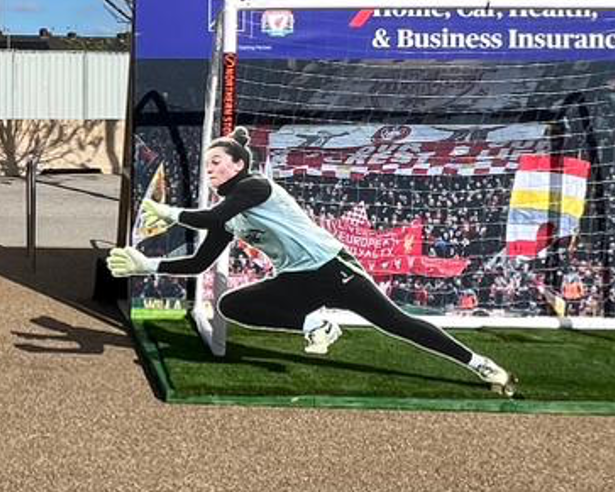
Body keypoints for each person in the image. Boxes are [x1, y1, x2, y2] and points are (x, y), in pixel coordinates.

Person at [108, 127, 516, 395]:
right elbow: (199, 262)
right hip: (296, 278)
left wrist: (167, 212)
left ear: (237, 165)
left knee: (396, 324)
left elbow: (208, 218)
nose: (210, 167)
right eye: (208, 161)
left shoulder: (255, 186)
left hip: (332, 268)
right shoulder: (228, 210)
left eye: (217, 161)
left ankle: (480, 364)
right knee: (232, 305)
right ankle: (315, 323)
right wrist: (148, 266)